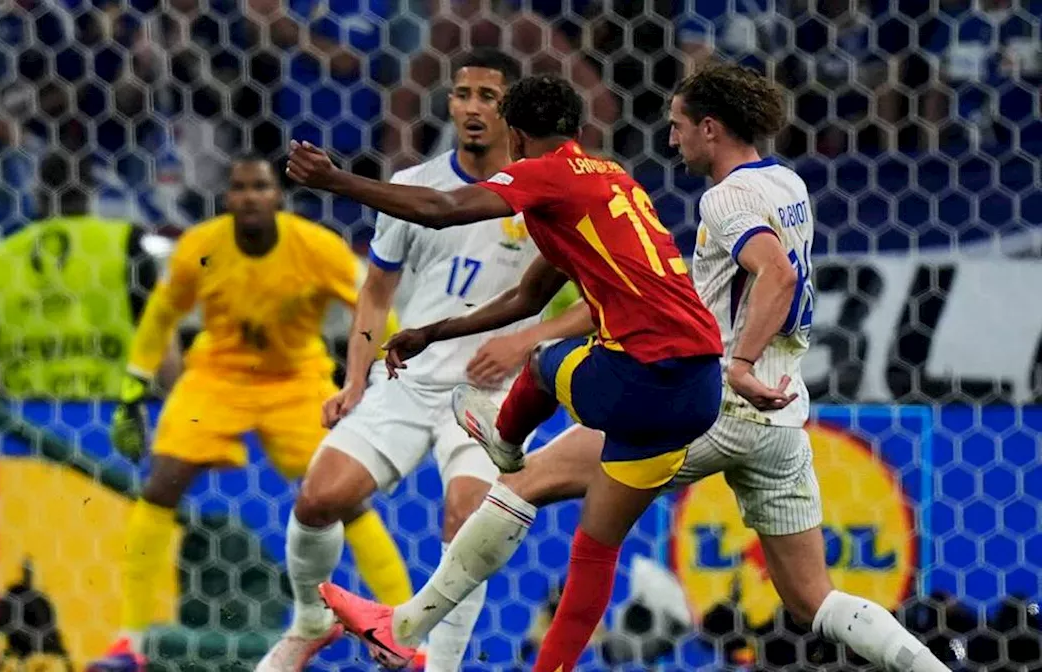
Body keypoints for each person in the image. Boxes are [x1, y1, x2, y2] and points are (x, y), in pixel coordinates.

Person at [321, 63, 953, 672]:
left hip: (710, 393)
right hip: (782, 412)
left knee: (523, 476)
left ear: (711, 127)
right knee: (813, 598)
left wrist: (739, 364)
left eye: (679, 124)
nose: (670, 137)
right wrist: (434, 331)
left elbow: (776, 274)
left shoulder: (724, 199)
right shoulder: (785, 185)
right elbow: (531, 293)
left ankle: (423, 594)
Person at [287, 74, 732, 670]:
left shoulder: (545, 174)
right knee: (593, 552)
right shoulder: (608, 180)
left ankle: (503, 440)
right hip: (701, 386)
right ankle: (430, 635)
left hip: (643, 376)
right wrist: (433, 331)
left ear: (516, 137)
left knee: (545, 362)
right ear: (578, 129)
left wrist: (335, 180)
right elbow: (527, 297)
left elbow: (441, 210)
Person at [257, 50, 594, 672]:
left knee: (467, 518)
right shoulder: (414, 185)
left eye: (488, 96)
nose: (471, 107)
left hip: (491, 397)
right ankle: (309, 622)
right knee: (318, 499)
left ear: (513, 111)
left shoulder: (545, 195)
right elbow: (377, 291)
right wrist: (354, 381)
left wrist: (525, 341)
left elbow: (594, 304)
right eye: (462, 93)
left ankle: (439, 666)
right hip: (409, 379)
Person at [86, 156, 413, 672]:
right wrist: (132, 388)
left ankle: (406, 629)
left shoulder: (315, 247)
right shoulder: (200, 246)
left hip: (296, 378)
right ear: (228, 198)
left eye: (260, 186)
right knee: (161, 483)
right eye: (239, 188)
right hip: (219, 374)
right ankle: (130, 640)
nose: (249, 197)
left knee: (340, 496)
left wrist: (376, 373)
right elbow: (161, 314)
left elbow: (375, 304)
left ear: (277, 196)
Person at [0, 152, 160, 399]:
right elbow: (161, 339)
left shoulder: (2, 255)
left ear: (38, 192)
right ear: (91, 191)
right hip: (110, 413)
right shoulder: (124, 242)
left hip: (26, 420)